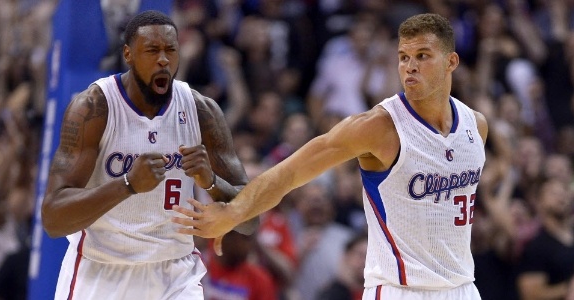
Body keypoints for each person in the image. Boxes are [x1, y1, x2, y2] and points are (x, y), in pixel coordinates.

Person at [173, 13, 489, 299]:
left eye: (423, 56)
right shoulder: (378, 127)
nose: (410, 66)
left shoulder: (476, 127)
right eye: (403, 57)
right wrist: (233, 213)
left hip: (462, 288)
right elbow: (289, 173)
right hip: (401, 290)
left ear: (451, 62)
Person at [41, 10, 256, 300]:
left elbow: (249, 220)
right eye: (152, 50)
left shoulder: (202, 111)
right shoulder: (94, 108)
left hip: (175, 274)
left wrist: (211, 182)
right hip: (102, 271)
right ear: (128, 55)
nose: (163, 59)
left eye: (171, 50)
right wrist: (127, 185)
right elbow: (53, 218)